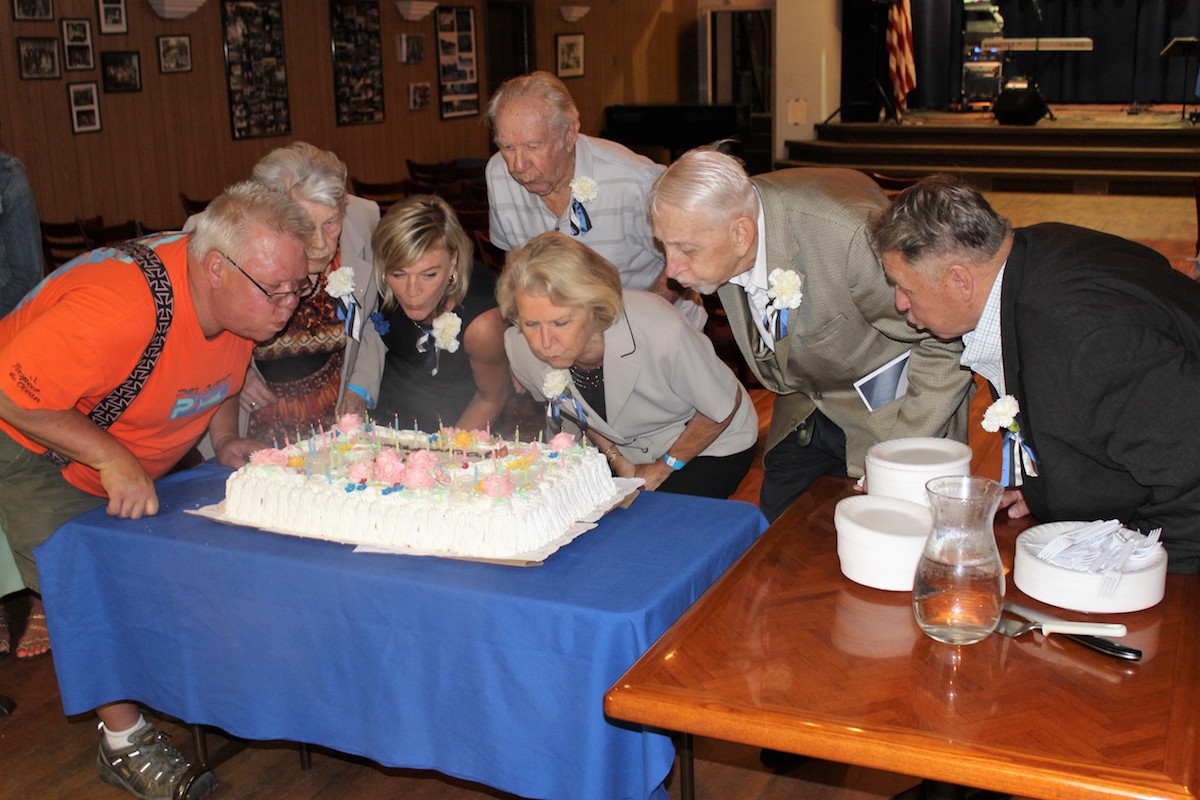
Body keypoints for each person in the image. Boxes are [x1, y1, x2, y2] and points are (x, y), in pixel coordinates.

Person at [0, 180, 313, 799]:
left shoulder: (238, 297)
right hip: (35, 440)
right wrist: (111, 457)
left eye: (295, 287)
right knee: (84, 579)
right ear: (216, 269)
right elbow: (12, 393)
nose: (288, 306)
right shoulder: (119, 309)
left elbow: (221, 374)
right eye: (274, 291)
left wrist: (224, 439)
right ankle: (124, 741)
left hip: (130, 445)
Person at [868, 174, 1200, 574]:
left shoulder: (1086, 339)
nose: (900, 302)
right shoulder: (1034, 253)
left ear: (959, 280)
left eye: (905, 286)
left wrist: (1134, 568)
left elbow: (1192, 478)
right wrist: (1053, 490)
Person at [649, 149, 973, 521]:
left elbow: (946, 339)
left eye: (685, 250)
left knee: (890, 545)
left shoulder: (851, 241)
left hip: (897, 412)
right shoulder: (718, 228)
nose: (673, 270)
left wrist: (899, 454)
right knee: (779, 542)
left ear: (742, 233)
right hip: (804, 405)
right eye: (665, 246)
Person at [498, 232, 758, 499]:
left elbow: (723, 405)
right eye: (531, 324)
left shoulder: (661, 330)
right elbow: (578, 414)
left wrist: (665, 466)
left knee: (655, 522)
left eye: (560, 323)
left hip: (707, 442)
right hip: (624, 453)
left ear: (595, 308)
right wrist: (614, 455)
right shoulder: (520, 349)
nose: (543, 342)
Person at [485, 70, 706, 329]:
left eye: (533, 147)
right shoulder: (498, 174)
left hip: (656, 325)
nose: (518, 165)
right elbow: (515, 259)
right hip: (561, 333)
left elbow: (690, 255)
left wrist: (634, 326)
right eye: (507, 147)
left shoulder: (635, 183)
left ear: (570, 135)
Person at [234, 142, 381, 446]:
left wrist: (361, 387)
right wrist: (231, 377)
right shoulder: (225, 236)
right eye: (302, 226)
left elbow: (374, 319)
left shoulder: (364, 223)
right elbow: (197, 323)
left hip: (335, 432)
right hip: (253, 429)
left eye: (330, 224)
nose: (321, 244)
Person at [343, 194, 509, 432]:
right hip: (387, 419)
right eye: (398, 274)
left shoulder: (482, 324)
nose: (412, 292)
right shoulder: (377, 285)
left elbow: (491, 398)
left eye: (429, 275)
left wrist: (445, 455)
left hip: (461, 424)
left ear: (453, 262)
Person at [0, 145, 46, 659]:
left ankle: (39, 595)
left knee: (18, 465)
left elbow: (25, 276)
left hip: (7, 334)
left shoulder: (7, 174)